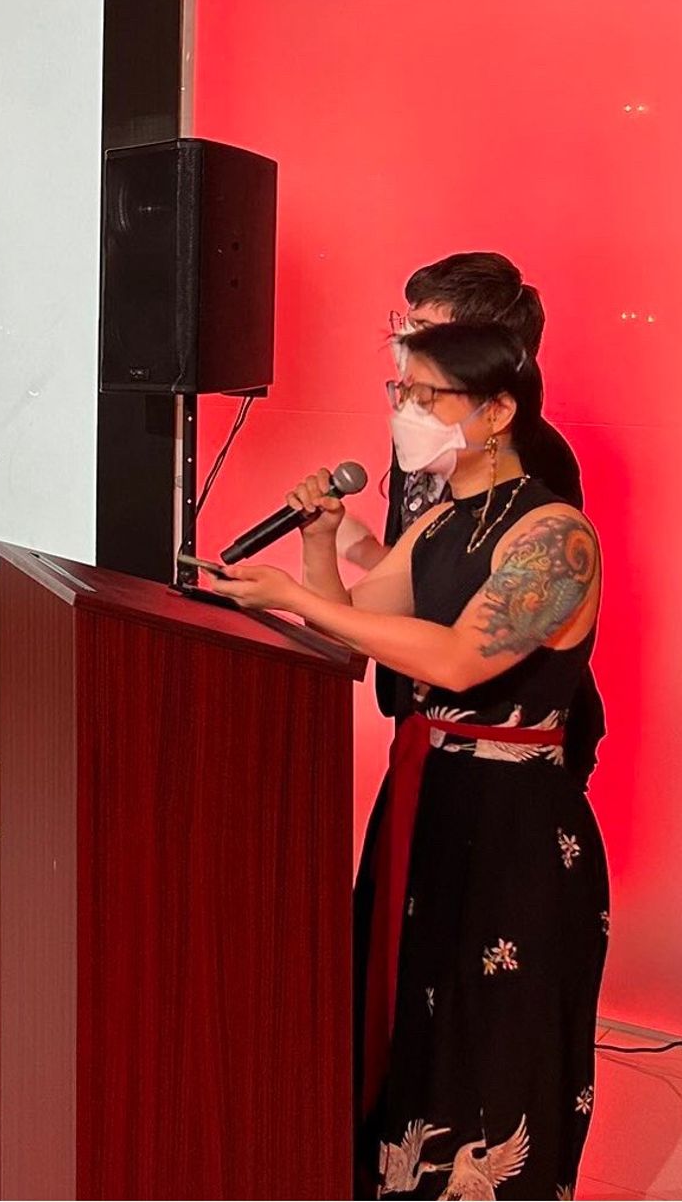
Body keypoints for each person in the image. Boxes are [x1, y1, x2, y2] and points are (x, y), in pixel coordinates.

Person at [211, 322, 608, 1200]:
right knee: (406, 1013)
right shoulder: (437, 524)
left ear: (497, 410)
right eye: (402, 394)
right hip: (426, 797)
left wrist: (293, 592)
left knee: (489, 1031)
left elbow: (461, 659)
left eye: (429, 395)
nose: (408, 412)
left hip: (511, 818)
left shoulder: (555, 535)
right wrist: (317, 545)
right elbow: (356, 626)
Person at [344, 252, 605, 787]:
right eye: (407, 323)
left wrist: (294, 594)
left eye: (425, 329)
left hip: (507, 731)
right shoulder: (422, 435)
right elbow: (434, 567)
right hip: (421, 710)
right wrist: (347, 545)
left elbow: (495, 601)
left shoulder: (537, 461)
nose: (405, 345)